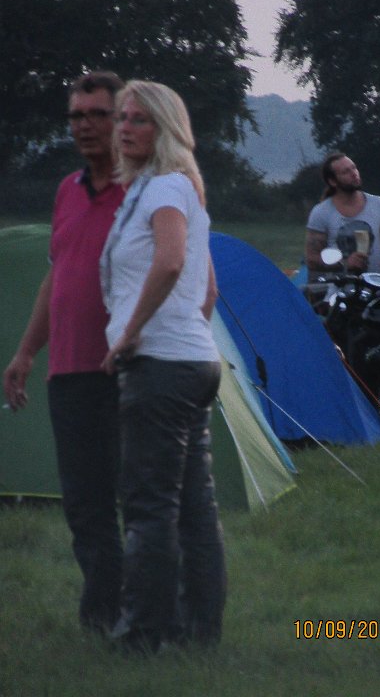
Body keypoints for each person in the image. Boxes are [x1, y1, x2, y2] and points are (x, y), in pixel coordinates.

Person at [99, 80, 225, 653]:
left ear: (165, 129)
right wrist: (183, 334)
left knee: (150, 507)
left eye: (140, 120)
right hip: (192, 362)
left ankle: (144, 634)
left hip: (161, 367)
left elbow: (172, 262)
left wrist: (131, 333)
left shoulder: (166, 188)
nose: (124, 128)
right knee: (194, 508)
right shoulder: (170, 189)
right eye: (122, 118)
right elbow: (208, 289)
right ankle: (199, 633)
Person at [2, 71, 125, 632]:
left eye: (97, 114)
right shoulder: (67, 191)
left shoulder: (142, 192)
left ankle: (150, 613)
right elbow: (58, 276)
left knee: (142, 500)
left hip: (127, 369)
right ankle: (103, 617)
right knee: (84, 503)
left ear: (121, 119)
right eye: (76, 115)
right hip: (70, 371)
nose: (84, 125)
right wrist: (27, 352)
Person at [305, 153, 380, 281]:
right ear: (332, 181)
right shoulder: (321, 212)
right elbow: (312, 260)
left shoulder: (379, 204)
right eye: (346, 172)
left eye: (354, 168)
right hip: (339, 290)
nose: (354, 173)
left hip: (376, 287)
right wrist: (345, 263)